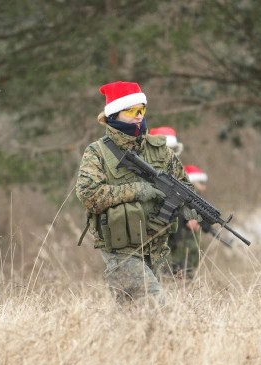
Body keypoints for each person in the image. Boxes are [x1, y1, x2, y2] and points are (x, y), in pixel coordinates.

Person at [76, 81, 197, 305]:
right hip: (120, 251)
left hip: (156, 248)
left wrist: (191, 207)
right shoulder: (98, 152)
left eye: (142, 110)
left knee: (135, 320)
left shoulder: (161, 151)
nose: (139, 116)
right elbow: (88, 195)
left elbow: (184, 185)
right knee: (155, 306)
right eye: (132, 111)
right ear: (115, 114)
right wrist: (138, 190)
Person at [168, 165, 208, 276]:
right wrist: (187, 220)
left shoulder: (194, 195)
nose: (204, 187)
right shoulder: (187, 193)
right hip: (179, 237)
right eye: (201, 183)